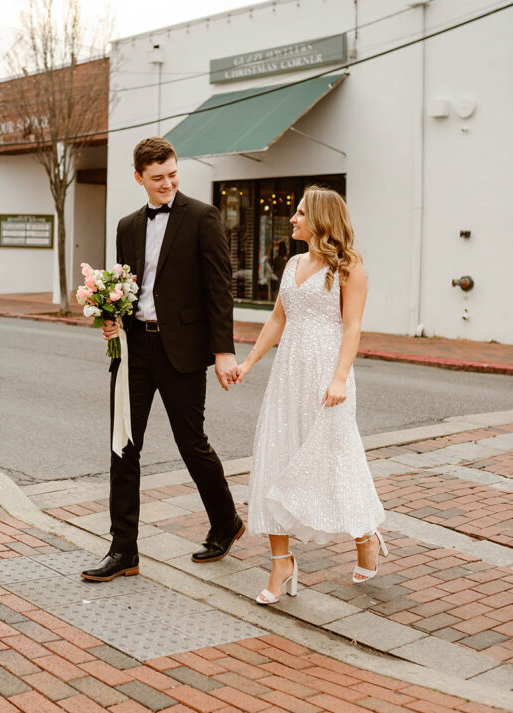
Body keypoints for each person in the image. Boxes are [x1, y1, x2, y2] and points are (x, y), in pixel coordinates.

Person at [81, 137, 244, 582]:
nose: (168, 183)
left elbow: (218, 289)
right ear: (139, 178)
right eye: (157, 178)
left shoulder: (203, 218)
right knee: (123, 446)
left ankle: (226, 521)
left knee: (191, 443)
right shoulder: (127, 225)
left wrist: (223, 350)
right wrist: (110, 320)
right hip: (134, 351)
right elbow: (123, 287)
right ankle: (123, 551)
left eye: (173, 174)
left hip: (183, 351)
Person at [234, 186, 386, 605]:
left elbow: (352, 327)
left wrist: (339, 378)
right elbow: (278, 318)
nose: (293, 219)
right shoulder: (292, 264)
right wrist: (249, 363)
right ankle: (281, 561)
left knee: (336, 461)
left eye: (300, 212)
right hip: (287, 378)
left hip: (328, 379)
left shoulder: (348, 267)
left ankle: (365, 535)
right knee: (276, 460)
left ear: (320, 219)